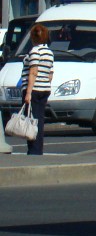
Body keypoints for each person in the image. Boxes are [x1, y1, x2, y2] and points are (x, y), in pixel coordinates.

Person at [20, 23, 54, 156]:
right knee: (39, 120)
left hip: (33, 90)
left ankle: (33, 150)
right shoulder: (49, 52)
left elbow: (33, 72)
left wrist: (28, 92)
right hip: (44, 89)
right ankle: (38, 149)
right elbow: (50, 74)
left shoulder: (34, 51)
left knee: (31, 121)